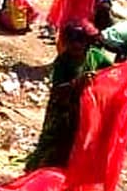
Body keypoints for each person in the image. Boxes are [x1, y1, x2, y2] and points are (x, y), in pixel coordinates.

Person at [25, 22, 112, 171]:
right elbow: (58, 90)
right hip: (62, 111)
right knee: (52, 144)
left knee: (75, 146)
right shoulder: (63, 61)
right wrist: (77, 83)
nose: (75, 46)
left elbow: (113, 72)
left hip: (83, 111)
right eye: (71, 43)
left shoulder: (96, 57)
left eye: (79, 42)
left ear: (87, 43)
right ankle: (37, 172)